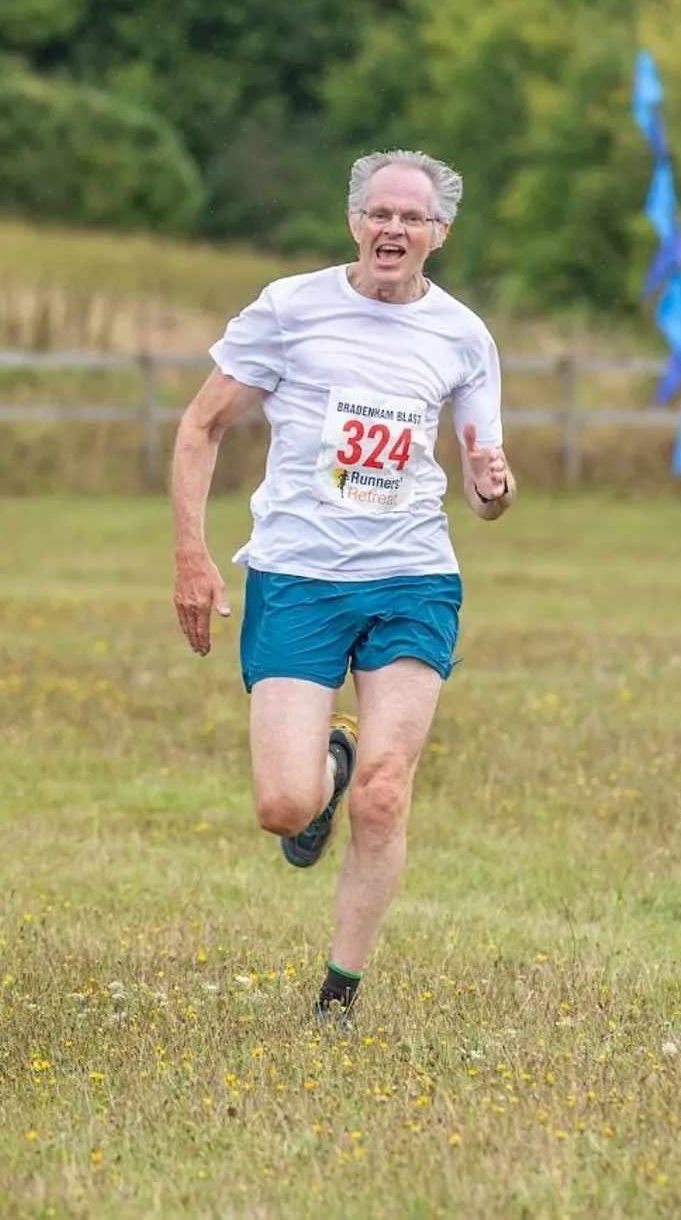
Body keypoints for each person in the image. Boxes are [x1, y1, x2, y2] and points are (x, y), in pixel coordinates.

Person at [168, 150, 514, 1024]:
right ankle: (333, 757)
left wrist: (492, 481)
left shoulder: (463, 336)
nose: (394, 229)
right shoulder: (290, 308)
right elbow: (202, 423)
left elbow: (484, 494)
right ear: (356, 221)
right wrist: (192, 553)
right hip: (299, 576)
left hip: (413, 574)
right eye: (380, 213)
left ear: (441, 233)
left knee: (386, 793)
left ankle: (339, 992)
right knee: (285, 807)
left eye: (413, 218)